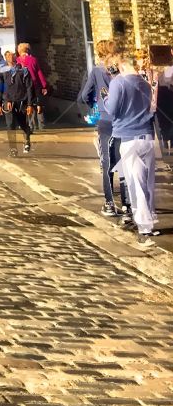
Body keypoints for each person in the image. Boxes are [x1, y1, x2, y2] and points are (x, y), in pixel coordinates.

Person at [106, 51, 158, 250]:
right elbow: (149, 108)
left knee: (135, 184)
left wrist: (105, 99)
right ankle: (150, 218)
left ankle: (145, 229)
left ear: (120, 66)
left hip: (129, 138)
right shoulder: (144, 83)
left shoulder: (118, 83)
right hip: (147, 136)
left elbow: (111, 110)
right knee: (148, 183)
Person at [77, 39, 130, 219]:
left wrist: (96, 103)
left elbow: (85, 95)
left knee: (107, 161)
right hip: (123, 118)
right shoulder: (122, 71)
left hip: (106, 120)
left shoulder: (97, 71)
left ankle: (109, 203)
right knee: (123, 159)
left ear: (99, 54)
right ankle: (127, 204)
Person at [0, 49, 35, 156]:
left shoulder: (23, 70)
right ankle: (13, 149)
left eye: (12, 56)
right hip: (8, 102)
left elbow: (29, 87)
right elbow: (0, 87)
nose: (11, 58)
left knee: (23, 123)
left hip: (21, 100)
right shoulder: (2, 70)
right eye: (8, 56)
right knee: (10, 125)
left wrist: (30, 103)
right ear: (5, 58)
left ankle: (27, 140)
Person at [17, 41, 48, 131]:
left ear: (20, 50)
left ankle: (30, 126)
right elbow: (39, 73)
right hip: (35, 85)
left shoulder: (18, 60)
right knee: (38, 106)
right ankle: (42, 126)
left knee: (27, 106)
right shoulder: (33, 60)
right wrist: (44, 86)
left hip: (23, 88)